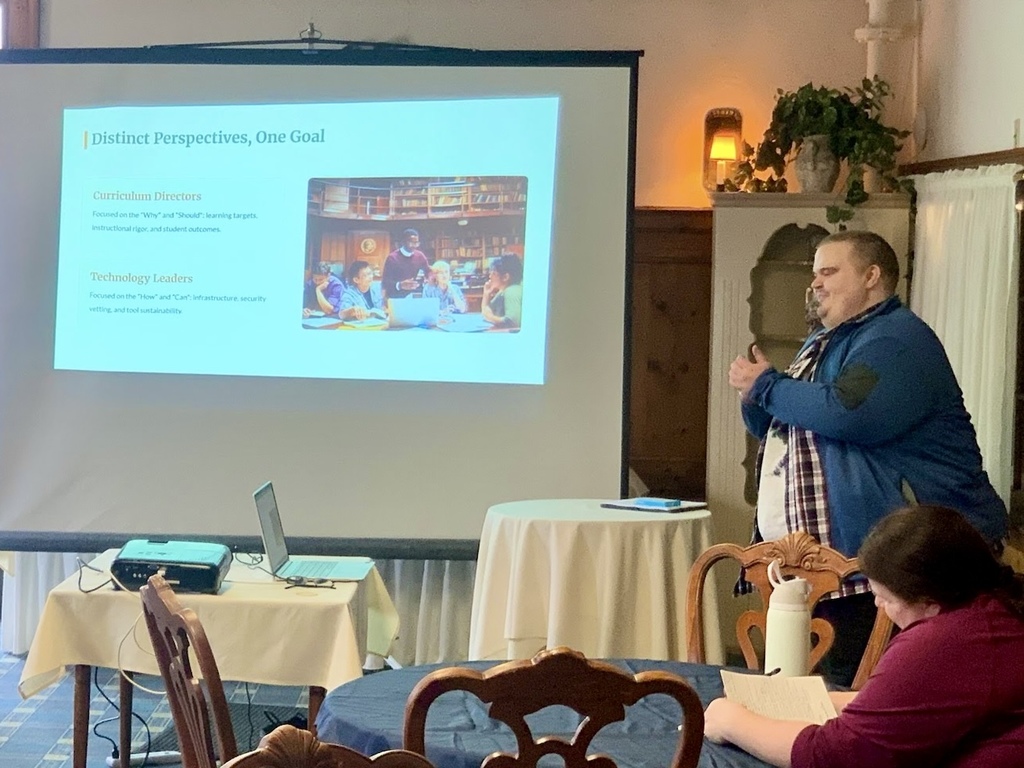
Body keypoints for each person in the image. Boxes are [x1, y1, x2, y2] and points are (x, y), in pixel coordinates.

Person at [727, 229, 1007, 687]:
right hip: (838, 569)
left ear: (872, 276)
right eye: (814, 273)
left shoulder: (894, 341)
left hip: (901, 567)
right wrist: (754, 397)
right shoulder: (830, 340)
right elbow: (780, 430)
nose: (815, 283)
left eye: (829, 272)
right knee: (832, 693)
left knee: (869, 695)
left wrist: (769, 387)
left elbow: (849, 414)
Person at [704, 504, 1024, 767]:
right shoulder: (989, 612)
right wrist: (811, 702)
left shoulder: (948, 639)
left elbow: (840, 754)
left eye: (885, 598)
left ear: (929, 602)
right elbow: (915, 703)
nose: (878, 606)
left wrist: (732, 721)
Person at [382, 228, 431, 300]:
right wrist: (400, 285)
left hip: (415, 296)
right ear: (403, 242)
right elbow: (385, 283)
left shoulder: (420, 256)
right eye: (411, 242)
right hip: (397, 297)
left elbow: (429, 272)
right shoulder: (392, 258)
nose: (414, 246)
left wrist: (427, 280)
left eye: (416, 243)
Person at [481, 253, 523, 328]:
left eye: (494, 273)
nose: (490, 276)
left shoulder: (512, 291)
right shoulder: (503, 291)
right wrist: (486, 295)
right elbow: (488, 310)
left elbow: (512, 322)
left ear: (505, 277)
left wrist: (490, 317)